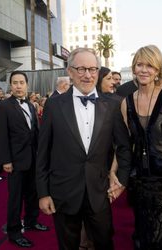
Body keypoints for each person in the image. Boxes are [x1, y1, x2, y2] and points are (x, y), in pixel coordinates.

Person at [36, 47, 131, 250]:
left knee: (105, 243)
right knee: (68, 245)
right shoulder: (53, 105)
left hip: (100, 191)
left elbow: (123, 147)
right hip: (64, 192)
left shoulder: (113, 105)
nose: (87, 75)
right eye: (81, 69)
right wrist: (43, 193)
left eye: (92, 69)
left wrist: (121, 180)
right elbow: (43, 152)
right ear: (70, 71)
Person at [113, 45, 162, 249]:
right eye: (139, 64)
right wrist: (114, 172)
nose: (144, 70)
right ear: (134, 68)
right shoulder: (126, 103)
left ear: (157, 70)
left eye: (150, 65)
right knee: (143, 235)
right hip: (139, 183)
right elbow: (124, 146)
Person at [0, 71, 49, 248]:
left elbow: (35, 132)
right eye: (15, 83)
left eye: (21, 82)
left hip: (33, 159)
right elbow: (1, 136)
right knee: (15, 198)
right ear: (10, 85)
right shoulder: (3, 106)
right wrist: (6, 160)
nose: (18, 86)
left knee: (33, 194)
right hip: (16, 161)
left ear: (27, 84)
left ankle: (32, 221)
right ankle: (14, 231)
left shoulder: (31, 106)